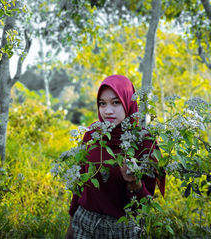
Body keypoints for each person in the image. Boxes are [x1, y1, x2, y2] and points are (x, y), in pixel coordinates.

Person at [65, 74, 165, 239]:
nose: (107, 111)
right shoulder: (91, 136)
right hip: (84, 224)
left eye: (116, 102)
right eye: (102, 104)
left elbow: (144, 206)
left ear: (128, 102)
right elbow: (80, 184)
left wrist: (134, 183)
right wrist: (71, 223)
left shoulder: (144, 143)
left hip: (123, 230)